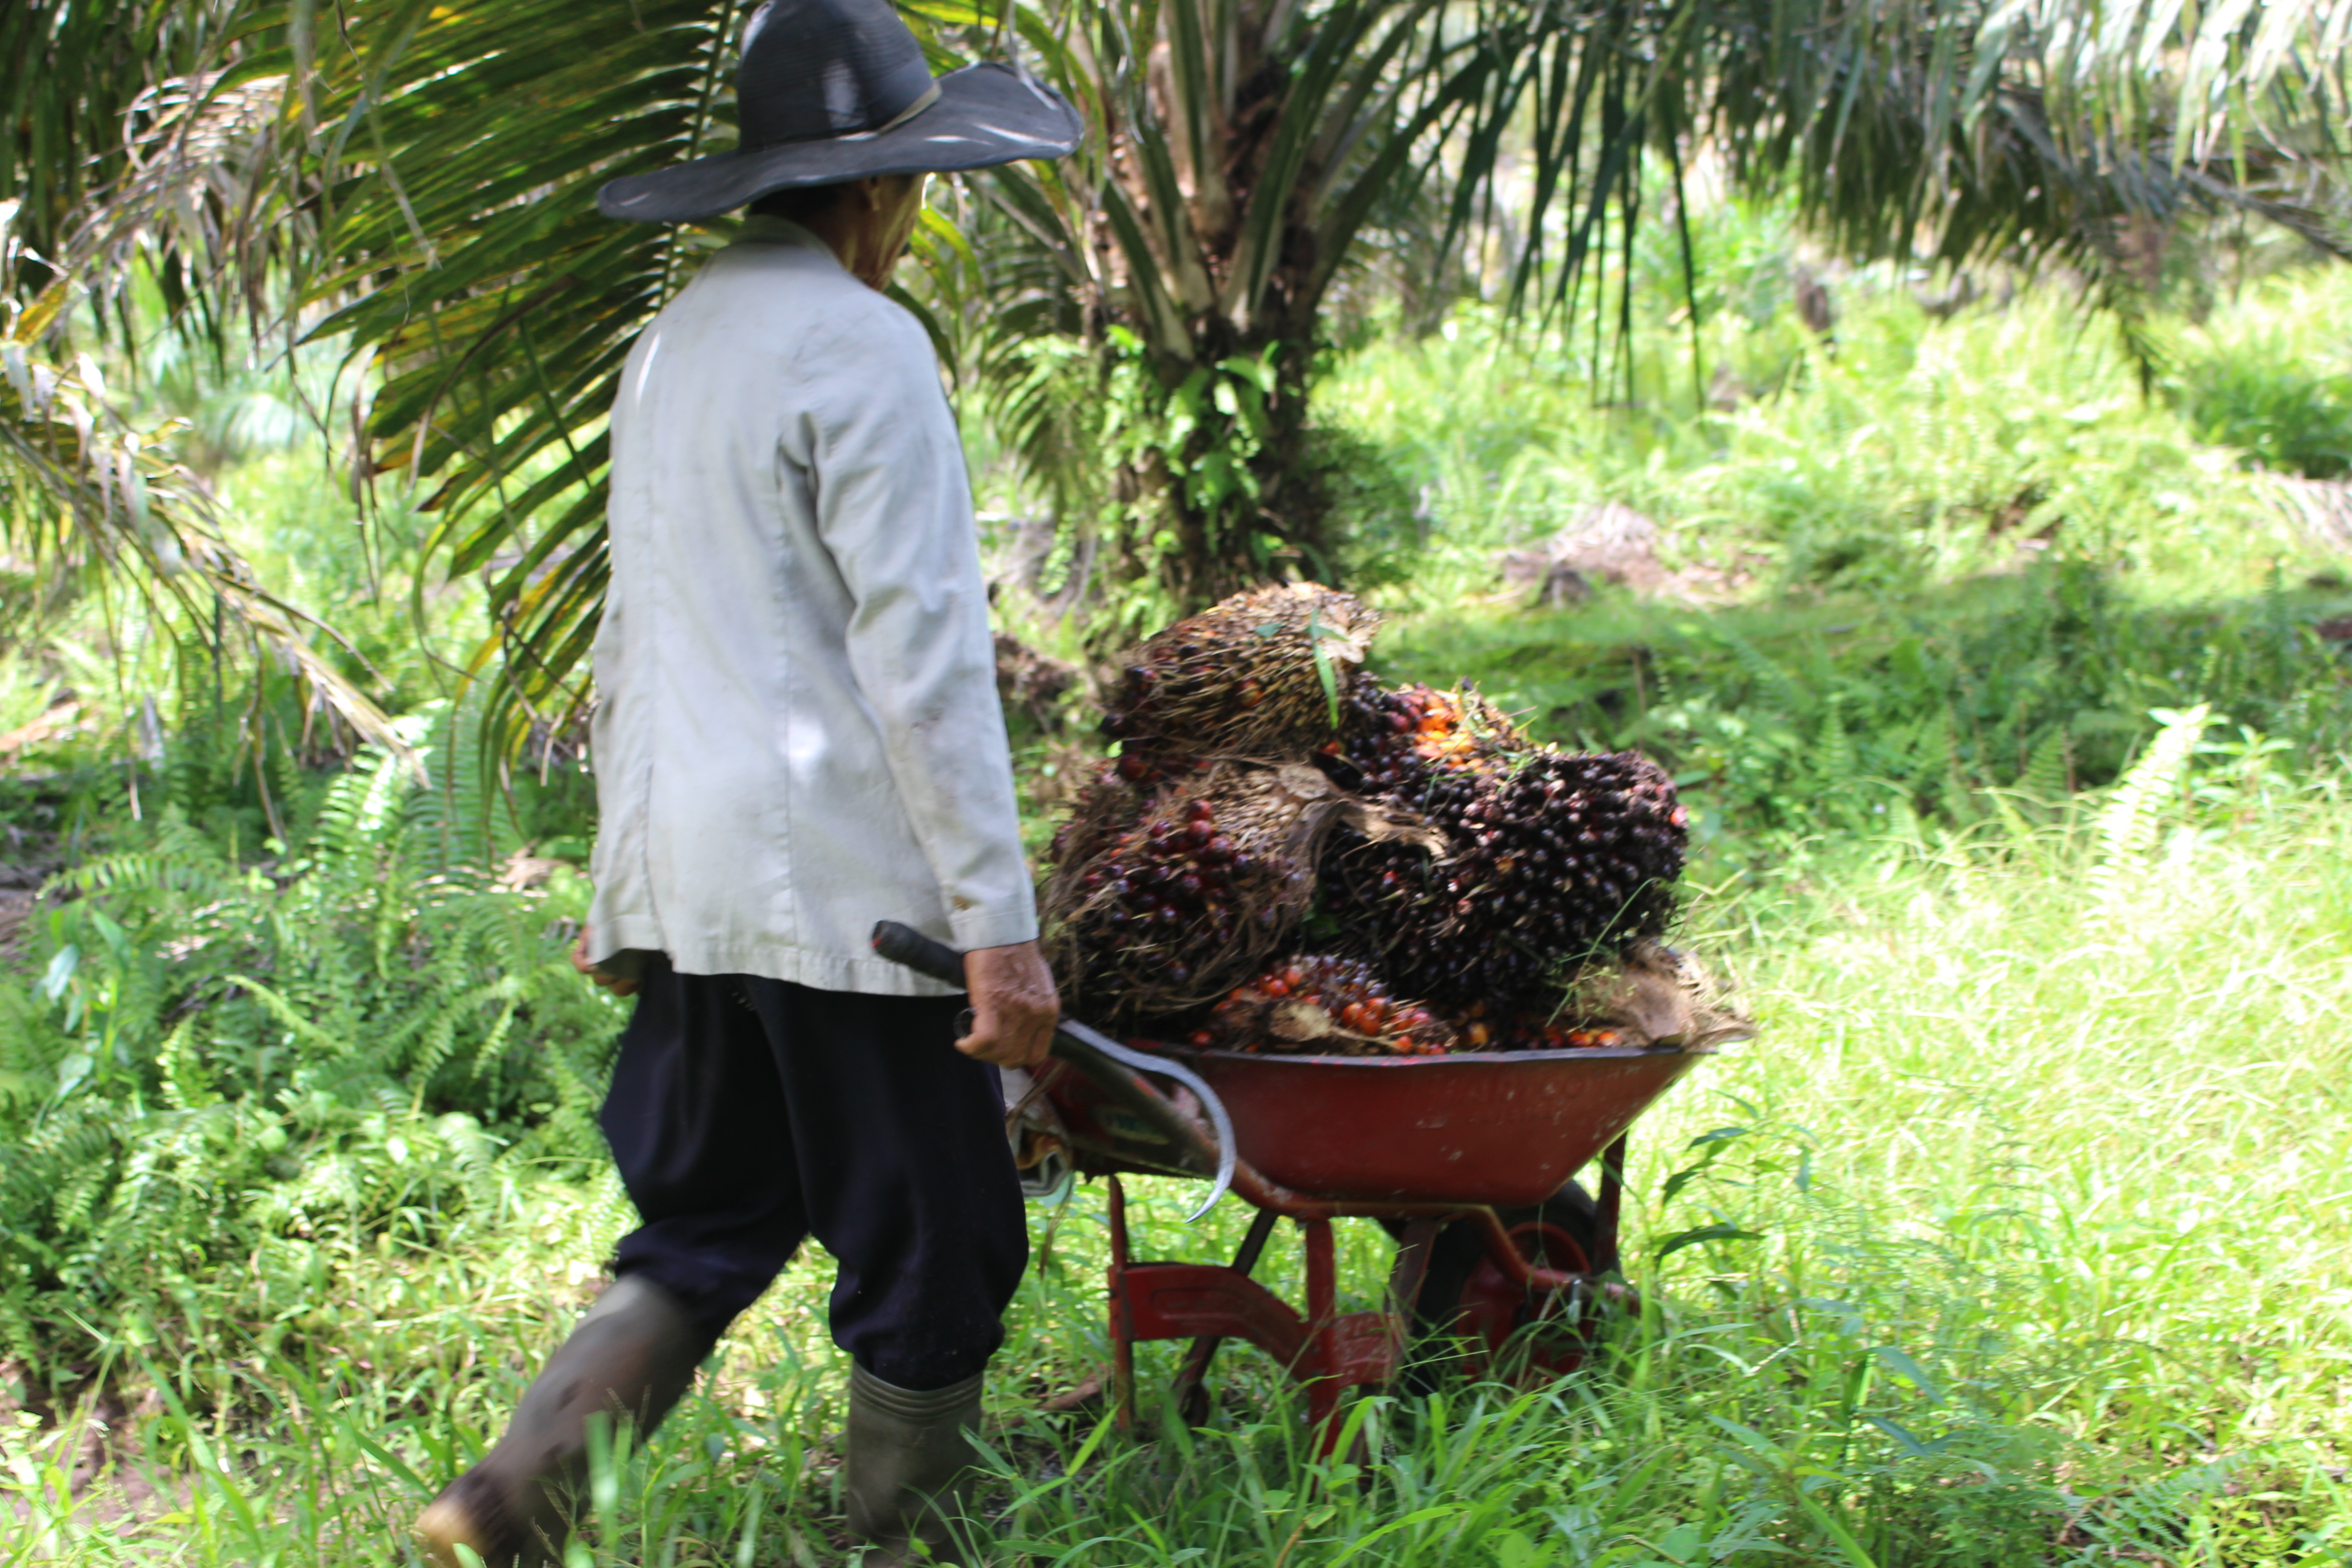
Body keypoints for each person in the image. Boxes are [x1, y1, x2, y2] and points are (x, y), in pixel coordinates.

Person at [413, 4, 1082, 1563]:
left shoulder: (676, 342)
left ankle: (507, 1502)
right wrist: (997, 927)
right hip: (856, 898)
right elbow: (923, 657)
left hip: (701, 875)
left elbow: (629, 629)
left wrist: (623, 884)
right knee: (939, 1246)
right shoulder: (865, 344)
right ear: (886, 191)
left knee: (709, 1220)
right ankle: (898, 1546)